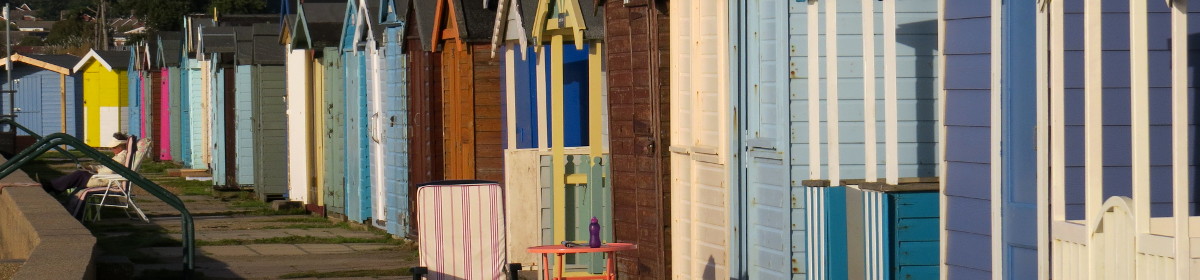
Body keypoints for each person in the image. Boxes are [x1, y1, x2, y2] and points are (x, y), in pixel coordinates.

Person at [43, 132, 132, 193]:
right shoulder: (120, 155)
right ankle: (52, 186)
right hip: (106, 177)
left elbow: (109, 171)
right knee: (79, 175)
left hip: (107, 180)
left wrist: (94, 171)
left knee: (79, 175)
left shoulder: (122, 157)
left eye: (114, 147)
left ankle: (51, 186)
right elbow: (108, 167)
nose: (112, 149)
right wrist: (91, 167)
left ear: (121, 146)